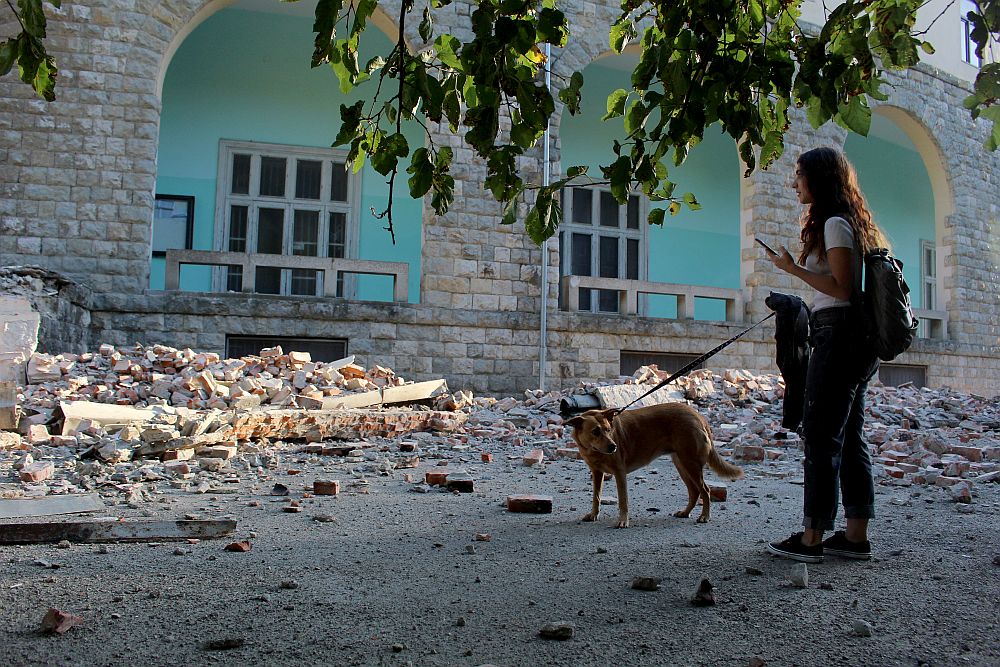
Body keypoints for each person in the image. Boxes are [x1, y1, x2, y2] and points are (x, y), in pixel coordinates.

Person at [762, 146, 885, 563]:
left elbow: (842, 290)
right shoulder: (850, 222)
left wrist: (792, 270)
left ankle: (812, 537)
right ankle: (854, 536)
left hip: (839, 337)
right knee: (850, 435)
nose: (793, 183)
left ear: (818, 178)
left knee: (820, 435)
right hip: (853, 339)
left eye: (799, 175)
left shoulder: (835, 224)